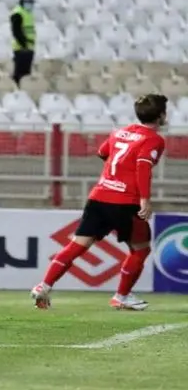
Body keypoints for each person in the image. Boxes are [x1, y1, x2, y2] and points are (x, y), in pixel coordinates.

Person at [32, 94, 168, 311]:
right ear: (161, 115)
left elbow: (103, 152)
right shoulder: (154, 139)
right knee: (140, 249)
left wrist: (118, 172)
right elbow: (143, 167)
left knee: (77, 244)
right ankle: (121, 296)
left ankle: (44, 286)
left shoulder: (119, 132)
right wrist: (145, 199)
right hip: (126, 201)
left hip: (99, 196)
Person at [10, 0, 35, 86]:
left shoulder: (28, 13)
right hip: (21, 48)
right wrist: (24, 44)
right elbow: (16, 31)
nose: (30, 4)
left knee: (26, 73)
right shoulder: (18, 13)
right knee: (20, 73)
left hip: (29, 47)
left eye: (31, 2)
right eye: (27, 2)